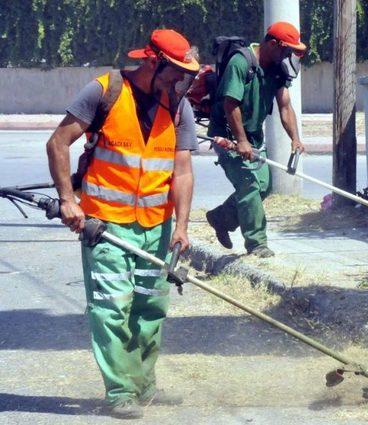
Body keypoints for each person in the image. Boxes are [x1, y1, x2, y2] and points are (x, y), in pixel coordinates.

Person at [46, 29, 199, 419]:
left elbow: (182, 171)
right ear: (153, 62)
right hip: (105, 225)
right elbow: (58, 142)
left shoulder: (180, 108)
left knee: (150, 308)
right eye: (177, 72)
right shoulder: (105, 91)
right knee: (112, 308)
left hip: (157, 226)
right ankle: (120, 392)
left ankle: (144, 386)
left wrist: (181, 226)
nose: (182, 81)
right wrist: (68, 200)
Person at [206, 21, 307, 258]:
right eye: (286, 50)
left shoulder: (277, 68)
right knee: (249, 185)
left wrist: (295, 138)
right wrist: (240, 141)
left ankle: (220, 217)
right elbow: (231, 105)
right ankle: (257, 244)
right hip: (227, 136)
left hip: (252, 138)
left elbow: (285, 106)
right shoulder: (241, 62)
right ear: (273, 44)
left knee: (264, 186)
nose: (288, 55)